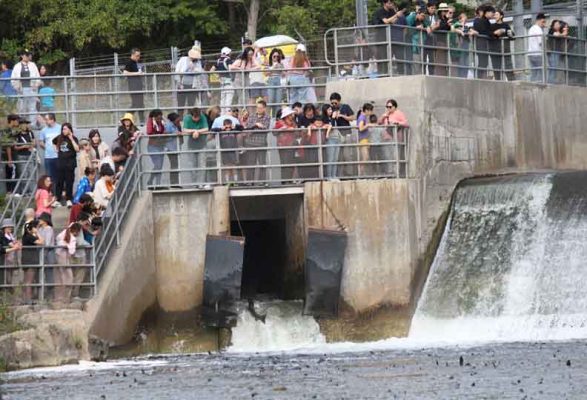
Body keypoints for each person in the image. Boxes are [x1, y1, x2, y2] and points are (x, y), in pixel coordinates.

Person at [175, 44, 210, 113]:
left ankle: (189, 118)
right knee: (180, 104)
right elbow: (177, 71)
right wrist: (179, 83)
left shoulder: (197, 62)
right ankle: (180, 119)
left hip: (193, 85)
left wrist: (193, 68)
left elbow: (199, 71)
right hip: (182, 84)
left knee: (191, 104)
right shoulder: (183, 60)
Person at [52, 123, 79, 207]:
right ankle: (58, 199)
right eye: (63, 129)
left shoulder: (74, 138)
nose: (64, 131)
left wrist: (71, 138)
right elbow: (53, 142)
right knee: (59, 182)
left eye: (66, 129)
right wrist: (56, 149)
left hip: (70, 164)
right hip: (61, 164)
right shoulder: (59, 138)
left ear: (70, 129)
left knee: (69, 182)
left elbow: (77, 149)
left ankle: (69, 199)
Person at [244, 100, 271, 183]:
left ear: (264, 108)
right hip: (250, 143)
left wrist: (256, 127)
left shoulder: (267, 117)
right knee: (251, 164)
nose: (258, 109)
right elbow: (248, 127)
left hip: (261, 144)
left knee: (262, 163)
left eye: (260, 108)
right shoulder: (252, 116)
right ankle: (250, 182)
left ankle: (262, 181)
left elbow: (265, 128)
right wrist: (256, 125)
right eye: (257, 107)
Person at [182, 107, 210, 188]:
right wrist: (193, 131)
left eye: (198, 117)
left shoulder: (202, 117)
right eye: (195, 117)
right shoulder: (187, 118)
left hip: (202, 145)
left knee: (202, 165)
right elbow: (184, 129)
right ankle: (195, 183)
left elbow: (206, 128)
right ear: (191, 116)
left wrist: (198, 131)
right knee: (192, 165)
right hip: (191, 146)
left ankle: (200, 183)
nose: (197, 119)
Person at [329, 92, 355, 177]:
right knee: (338, 156)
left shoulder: (345, 107)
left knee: (347, 155)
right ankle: (338, 174)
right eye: (332, 103)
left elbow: (352, 118)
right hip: (336, 136)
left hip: (346, 134)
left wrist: (342, 116)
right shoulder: (331, 109)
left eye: (335, 103)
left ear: (339, 101)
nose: (333, 105)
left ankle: (349, 174)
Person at [54, 222, 81, 303]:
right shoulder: (73, 239)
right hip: (64, 257)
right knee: (69, 277)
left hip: (58, 255)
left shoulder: (64, 233)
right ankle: (66, 298)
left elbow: (58, 238)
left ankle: (59, 297)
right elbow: (72, 252)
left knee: (61, 276)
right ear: (76, 231)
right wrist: (70, 246)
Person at [11, 49, 41, 120]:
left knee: (32, 108)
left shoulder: (33, 65)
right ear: (22, 56)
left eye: (28, 55)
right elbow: (13, 79)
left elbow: (38, 77)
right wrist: (17, 87)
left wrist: (36, 85)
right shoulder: (17, 66)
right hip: (21, 90)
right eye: (26, 55)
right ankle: (23, 125)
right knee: (22, 108)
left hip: (32, 89)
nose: (28, 57)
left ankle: (32, 125)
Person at [273, 107, 298, 183]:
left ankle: (289, 180)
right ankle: (284, 180)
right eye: (290, 114)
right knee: (284, 163)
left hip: (292, 145)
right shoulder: (279, 122)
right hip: (283, 146)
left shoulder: (293, 123)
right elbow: (274, 132)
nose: (292, 115)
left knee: (291, 163)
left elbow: (296, 133)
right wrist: (283, 128)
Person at [490, 9, 516, 81]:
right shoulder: (492, 26)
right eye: (494, 15)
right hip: (495, 50)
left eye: (497, 14)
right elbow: (490, 35)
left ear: (501, 16)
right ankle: (498, 83)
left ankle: (512, 82)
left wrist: (505, 31)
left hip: (505, 49)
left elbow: (512, 37)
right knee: (496, 68)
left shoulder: (506, 25)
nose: (495, 16)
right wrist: (495, 33)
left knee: (508, 66)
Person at [38, 113, 61, 193]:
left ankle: (59, 194)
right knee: (49, 177)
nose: (45, 121)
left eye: (47, 119)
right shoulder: (43, 130)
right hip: (48, 157)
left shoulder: (60, 128)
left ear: (52, 120)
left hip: (58, 156)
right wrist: (47, 147)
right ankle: (51, 193)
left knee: (59, 176)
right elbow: (41, 142)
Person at [21, 220, 43, 302]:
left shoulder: (25, 236)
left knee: (26, 280)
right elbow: (41, 241)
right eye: (36, 227)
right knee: (29, 281)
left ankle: (24, 299)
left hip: (26, 260)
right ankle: (28, 299)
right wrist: (37, 233)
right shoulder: (29, 236)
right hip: (31, 261)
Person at [212, 119, 239, 183]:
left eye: (229, 127)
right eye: (226, 127)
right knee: (227, 168)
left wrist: (233, 127)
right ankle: (228, 182)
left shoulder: (233, 131)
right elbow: (213, 130)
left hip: (233, 152)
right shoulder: (221, 132)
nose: (228, 129)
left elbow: (241, 128)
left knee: (234, 167)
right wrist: (221, 129)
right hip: (225, 153)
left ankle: (235, 182)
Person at [12, 118, 35, 194]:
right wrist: (23, 146)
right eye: (23, 124)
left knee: (30, 173)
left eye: (26, 124)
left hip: (29, 155)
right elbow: (15, 147)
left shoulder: (30, 133)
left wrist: (30, 146)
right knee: (23, 174)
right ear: (20, 125)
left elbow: (33, 143)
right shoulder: (17, 135)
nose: (25, 125)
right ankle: (24, 192)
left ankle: (31, 192)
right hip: (21, 155)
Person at [472, 5, 494, 79]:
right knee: (482, 62)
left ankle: (482, 76)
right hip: (481, 44)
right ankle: (480, 77)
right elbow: (484, 31)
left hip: (484, 44)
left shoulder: (485, 20)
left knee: (485, 62)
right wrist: (493, 33)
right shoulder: (478, 20)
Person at [122, 48, 144, 122]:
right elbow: (125, 73)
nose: (138, 57)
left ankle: (142, 121)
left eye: (139, 56)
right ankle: (126, 119)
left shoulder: (135, 63)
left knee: (140, 104)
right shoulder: (129, 62)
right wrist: (137, 73)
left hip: (138, 87)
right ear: (132, 55)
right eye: (137, 56)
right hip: (133, 87)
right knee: (136, 104)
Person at [145, 109, 166, 188]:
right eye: (158, 117)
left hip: (160, 146)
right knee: (157, 165)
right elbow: (149, 131)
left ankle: (158, 184)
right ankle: (150, 180)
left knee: (160, 166)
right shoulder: (151, 121)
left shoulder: (161, 122)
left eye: (161, 116)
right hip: (152, 146)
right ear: (155, 117)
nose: (160, 118)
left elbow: (164, 130)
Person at [37, 212, 55, 299]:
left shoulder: (49, 229)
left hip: (48, 253)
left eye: (41, 219)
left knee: (49, 273)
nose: (39, 220)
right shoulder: (40, 229)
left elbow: (47, 243)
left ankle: (50, 292)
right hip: (41, 252)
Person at [0, 218, 22, 286]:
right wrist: (14, 247)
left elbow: (10, 243)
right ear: (4, 228)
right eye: (8, 227)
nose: (10, 228)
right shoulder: (3, 235)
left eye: (11, 227)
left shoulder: (10, 235)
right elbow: (4, 247)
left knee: (9, 275)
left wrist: (17, 244)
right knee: (6, 276)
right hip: (5, 259)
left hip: (10, 259)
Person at [433, 3, 452, 77]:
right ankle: (439, 75)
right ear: (440, 11)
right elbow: (439, 28)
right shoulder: (438, 18)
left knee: (445, 60)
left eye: (446, 10)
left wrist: (449, 25)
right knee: (440, 60)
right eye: (444, 10)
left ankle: (444, 74)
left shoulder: (446, 19)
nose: (445, 12)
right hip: (439, 41)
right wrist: (447, 24)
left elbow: (448, 28)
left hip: (446, 41)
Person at [450, 12, 471, 78]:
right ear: (460, 18)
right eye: (464, 17)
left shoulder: (467, 26)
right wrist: (460, 31)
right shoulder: (457, 24)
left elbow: (469, 33)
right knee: (461, 62)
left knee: (466, 63)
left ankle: (465, 76)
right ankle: (461, 77)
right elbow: (452, 28)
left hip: (466, 46)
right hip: (460, 46)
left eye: (465, 17)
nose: (466, 18)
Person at [164, 112, 182, 187]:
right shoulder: (169, 125)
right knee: (174, 165)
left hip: (175, 148)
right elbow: (165, 134)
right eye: (177, 119)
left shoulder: (176, 125)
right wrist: (175, 133)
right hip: (170, 148)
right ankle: (174, 183)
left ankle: (176, 183)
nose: (179, 120)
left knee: (176, 165)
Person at [547, 20, 568, 84]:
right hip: (552, 52)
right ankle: (550, 82)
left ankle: (552, 82)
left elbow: (563, 36)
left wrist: (565, 31)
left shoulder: (559, 31)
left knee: (555, 68)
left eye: (559, 24)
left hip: (557, 52)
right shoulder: (551, 30)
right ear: (553, 25)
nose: (559, 25)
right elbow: (557, 35)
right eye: (557, 24)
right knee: (553, 67)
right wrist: (563, 34)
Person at [528, 13, 547, 82]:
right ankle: (540, 85)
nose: (543, 24)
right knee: (541, 71)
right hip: (537, 53)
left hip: (531, 53)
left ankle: (532, 84)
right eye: (543, 22)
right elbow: (541, 42)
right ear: (538, 20)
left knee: (534, 72)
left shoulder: (531, 28)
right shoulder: (538, 29)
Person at [357, 103, 374, 176]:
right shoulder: (362, 117)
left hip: (365, 139)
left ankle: (362, 173)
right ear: (366, 110)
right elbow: (360, 128)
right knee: (365, 157)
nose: (371, 113)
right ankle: (360, 173)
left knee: (366, 157)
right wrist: (368, 125)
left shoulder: (363, 117)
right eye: (370, 111)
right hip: (363, 139)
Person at [215, 47, 234, 113]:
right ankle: (227, 114)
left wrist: (218, 76)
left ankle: (222, 115)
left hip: (222, 83)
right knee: (228, 100)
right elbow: (230, 69)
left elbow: (212, 70)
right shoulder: (228, 60)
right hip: (229, 82)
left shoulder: (218, 61)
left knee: (222, 100)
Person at [267, 48, 285, 116]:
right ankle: (268, 118)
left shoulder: (281, 64)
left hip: (278, 81)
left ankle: (277, 118)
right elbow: (266, 73)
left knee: (278, 102)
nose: (276, 58)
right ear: (271, 56)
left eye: (277, 56)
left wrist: (281, 69)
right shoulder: (268, 63)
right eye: (274, 56)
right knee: (270, 101)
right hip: (271, 81)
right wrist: (273, 67)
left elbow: (283, 75)